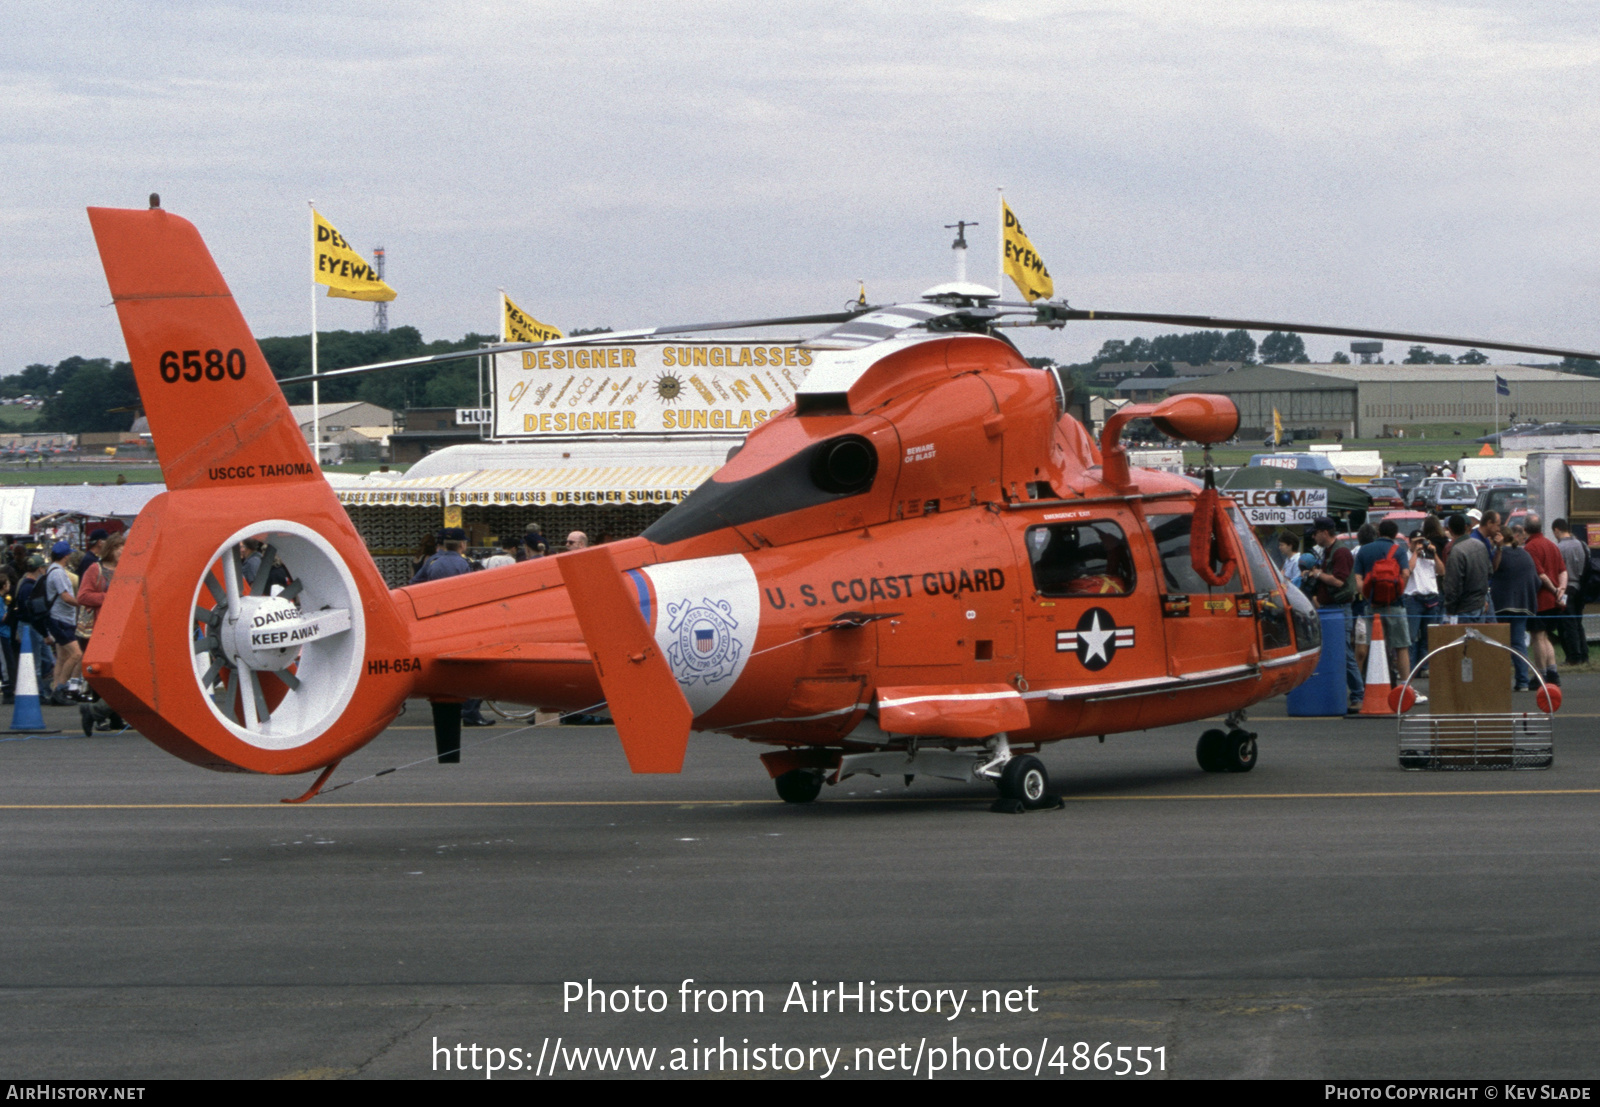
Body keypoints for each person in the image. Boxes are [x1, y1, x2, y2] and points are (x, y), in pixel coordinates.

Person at [1304, 517, 1362, 711]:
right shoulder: (1330, 551)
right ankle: (1346, 693)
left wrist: (1317, 574)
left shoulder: (1341, 552)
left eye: (1316, 532)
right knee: (1333, 652)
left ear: (1325, 532)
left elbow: (1338, 581)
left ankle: (1358, 695)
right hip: (1330, 609)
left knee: (1344, 652)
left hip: (1340, 609)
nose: (1313, 536)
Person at [1354, 519, 1413, 686]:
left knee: (1370, 646)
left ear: (1378, 533)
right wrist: (1397, 592)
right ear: (1395, 535)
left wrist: (1368, 596)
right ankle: (1405, 686)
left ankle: (1365, 686)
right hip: (1395, 605)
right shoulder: (1399, 551)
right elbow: (1406, 574)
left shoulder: (1364, 550)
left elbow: (1357, 578)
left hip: (1372, 607)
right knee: (1401, 646)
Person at [1489, 525, 1539, 691]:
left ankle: (1499, 681)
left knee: (1499, 644)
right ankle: (1523, 681)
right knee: (1519, 644)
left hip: (1502, 605)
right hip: (1523, 604)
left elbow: (1492, 571)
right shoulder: (1525, 555)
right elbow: (1536, 581)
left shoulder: (1500, 554)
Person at [1521, 514, 1568, 687]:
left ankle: (1541, 675)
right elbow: (1563, 570)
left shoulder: (1530, 547)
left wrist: (1554, 589)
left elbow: (1540, 574)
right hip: (1555, 601)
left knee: (1537, 637)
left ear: (1525, 529)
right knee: (1545, 636)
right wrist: (1561, 590)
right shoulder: (1551, 545)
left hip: (1540, 600)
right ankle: (1553, 672)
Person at [42, 541, 82, 704]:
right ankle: (61, 689)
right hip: (61, 619)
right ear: (66, 556)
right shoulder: (58, 573)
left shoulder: (52, 570)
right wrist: (82, 603)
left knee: (62, 657)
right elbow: (65, 596)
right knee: (76, 654)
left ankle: (55, 690)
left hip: (57, 618)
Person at [1402, 528, 1444, 676]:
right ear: (1410, 543)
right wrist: (1416, 552)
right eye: (1416, 542)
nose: (1420, 544)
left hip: (1431, 598)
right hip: (1414, 599)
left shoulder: (1429, 556)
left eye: (1422, 541)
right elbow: (1409, 569)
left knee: (1429, 636)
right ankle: (1411, 667)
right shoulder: (1407, 556)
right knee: (1412, 636)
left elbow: (1442, 571)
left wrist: (1434, 553)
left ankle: (1425, 667)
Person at [1441, 513, 1492, 625]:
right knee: (1478, 641)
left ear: (1450, 530)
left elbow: (1453, 585)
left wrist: (1450, 609)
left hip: (1464, 608)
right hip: (1480, 604)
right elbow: (1489, 572)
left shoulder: (1456, 551)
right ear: (1466, 527)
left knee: (1463, 642)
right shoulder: (1480, 545)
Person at [1553, 518, 1589, 663]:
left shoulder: (1559, 548)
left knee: (1568, 623)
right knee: (1578, 622)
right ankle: (1584, 654)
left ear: (1557, 530)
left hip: (1565, 588)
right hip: (1579, 587)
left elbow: (1557, 570)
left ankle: (1574, 656)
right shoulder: (1583, 545)